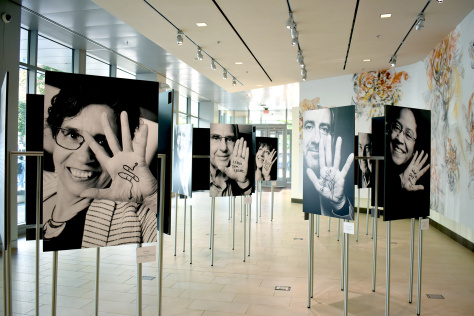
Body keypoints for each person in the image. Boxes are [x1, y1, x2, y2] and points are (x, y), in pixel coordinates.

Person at [42, 84, 157, 251]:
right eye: (73, 135)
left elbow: (152, 264)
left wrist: (152, 199)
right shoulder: (40, 183)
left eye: (102, 142)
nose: (84, 157)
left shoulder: (134, 217)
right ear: (54, 135)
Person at [303, 107, 354, 219]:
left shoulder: (333, 178)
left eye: (324, 129)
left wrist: (340, 203)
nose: (317, 139)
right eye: (308, 127)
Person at [384, 106, 430, 220]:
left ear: (416, 147)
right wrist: (400, 181)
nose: (399, 138)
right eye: (397, 127)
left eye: (408, 135)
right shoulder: (376, 170)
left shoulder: (421, 191)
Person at [209, 123, 252, 197]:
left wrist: (243, 183)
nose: (224, 148)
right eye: (216, 138)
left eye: (230, 139)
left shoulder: (237, 175)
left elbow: (249, 206)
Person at [172, 124, 192, 197]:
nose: (179, 143)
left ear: (189, 140)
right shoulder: (175, 167)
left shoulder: (189, 170)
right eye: (179, 135)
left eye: (183, 135)